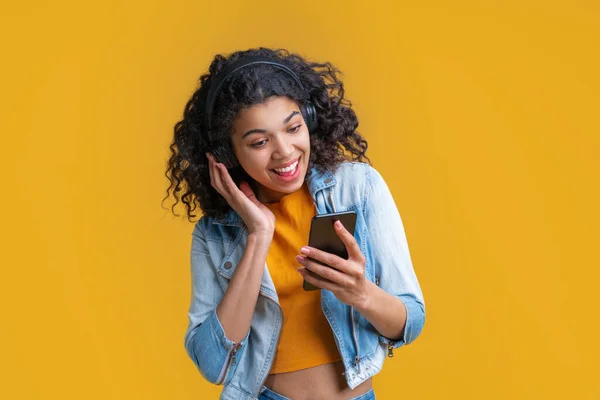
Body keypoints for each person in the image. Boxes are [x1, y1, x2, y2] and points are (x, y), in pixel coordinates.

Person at [163, 47, 426, 400]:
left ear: (310, 121)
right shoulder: (215, 235)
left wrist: (360, 293)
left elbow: (410, 321)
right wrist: (259, 234)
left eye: (293, 128)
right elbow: (213, 366)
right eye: (259, 141)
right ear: (228, 154)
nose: (284, 151)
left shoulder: (358, 189)